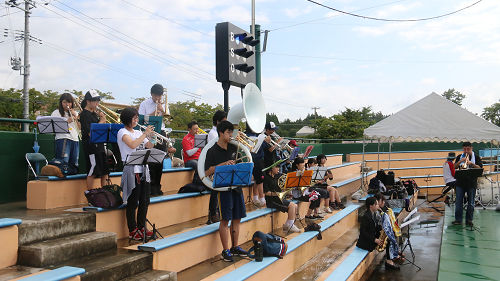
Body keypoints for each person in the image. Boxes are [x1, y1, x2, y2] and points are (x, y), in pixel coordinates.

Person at [204, 121, 248, 262]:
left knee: (237, 218)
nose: (231, 135)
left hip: (236, 187)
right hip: (223, 189)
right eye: (229, 132)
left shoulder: (234, 147)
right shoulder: (212, 151)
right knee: (225, 219)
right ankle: (225, 250)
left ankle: (235, 247)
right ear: (221, 133)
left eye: (231, 132)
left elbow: (243, 161)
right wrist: (221, 165)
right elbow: (206, 171)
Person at [117, 107, 155, 240]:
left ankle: (142, 226)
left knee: (145, 200)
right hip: (131, 170)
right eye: (134, 118)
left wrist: (152, 138)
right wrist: (145, 134)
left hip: (143, 169)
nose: (136, 120)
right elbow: (133, 145)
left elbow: (149, 147)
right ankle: (132, 229)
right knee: (133, 201)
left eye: (137, 117)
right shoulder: (122, 132)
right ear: (127, 119)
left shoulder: (139, 132)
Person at [138, 84, 176, 197]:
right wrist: (154, 114)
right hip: (149, 133)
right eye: (156, 95)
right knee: (150, 162)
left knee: (159, 161)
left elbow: (168, 121)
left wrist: (162, 111)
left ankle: (157, 186)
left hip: (161, 133)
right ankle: (150, 187)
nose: (158, 98)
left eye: (160, 95)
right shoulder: (144, 104)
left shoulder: (164, 105)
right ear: (151, 94)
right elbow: (140, 119)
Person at [356, 197, 401, 269]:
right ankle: (389, 261)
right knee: (388, 240)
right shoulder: (366, 216)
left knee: (389, 237)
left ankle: (392, 257)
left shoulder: (373, 214)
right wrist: (375, 240)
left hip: (372, 238)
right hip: (366, 242)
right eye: (376, 204)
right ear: (371, 206)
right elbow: (362, 232)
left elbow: (374, 227)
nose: (378, 206)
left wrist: (381, 231)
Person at [79, 90, 109, 190]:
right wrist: (102, 121)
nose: (97, 103)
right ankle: (90, 195)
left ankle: (105, 193)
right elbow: (90, 132)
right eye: (95, 101)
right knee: (92, 171)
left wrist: (102, 120)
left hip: (100, 146)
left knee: (105, 171)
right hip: (91, 147)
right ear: (88, 101)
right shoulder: (84, 115)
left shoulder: (94, 114)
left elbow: (101, 130)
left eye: (98, 101)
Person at [263, 163, 301, 233]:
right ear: (272, 168)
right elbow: (266, 192)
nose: (278, 169)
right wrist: (277, 194)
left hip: (278, 199)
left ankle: (287, 224)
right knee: (292, 206)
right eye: (276, 167)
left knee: (295, 205)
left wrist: (286, 188)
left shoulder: (277, 177)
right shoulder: (267, 178)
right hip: (271, 201)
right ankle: (291, 225)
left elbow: (281, 188)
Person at [452, 142, 483, 226]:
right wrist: (460, 161)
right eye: (464, 149)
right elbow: (454, 167)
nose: (466, 151)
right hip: (460, 183)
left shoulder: (476, 157)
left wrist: (471, 164)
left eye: (468, 149)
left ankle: (469, 220)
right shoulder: (459, 156)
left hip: (471, 183)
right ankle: (458, 219)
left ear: (471, 148)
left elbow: (480, 168)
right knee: (458, 202)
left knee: (471, 203)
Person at [206, 110, 227, 224]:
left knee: (219, 190)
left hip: (221, 163)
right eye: (224, 121)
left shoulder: (218, 132)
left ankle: (218, 211)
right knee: (214, 191)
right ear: (218, 121)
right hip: (214, 164)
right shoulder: (213, 133)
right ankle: (213, 213)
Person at [374, 193, 404, 268]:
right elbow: (375, 225)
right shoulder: (375, 212)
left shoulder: (380, 210)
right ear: (377, 201)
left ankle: (394, 254)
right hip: (375, 235)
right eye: (382, 200)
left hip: (379, 232)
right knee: (389, 237)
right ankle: (389, 260)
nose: (384, 202)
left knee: (393, 232)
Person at [51, 93, 80, 167]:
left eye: (69, 102)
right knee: (63, 163)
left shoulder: (75, 113)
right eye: (65, 102)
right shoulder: (56, 113)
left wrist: (76, 117)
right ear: (61, 103)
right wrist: (67, 121)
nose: (67, 104)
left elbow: (80, 128)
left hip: (75, 139)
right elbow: (53, 127)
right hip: (63, 138)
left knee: (74, 163)